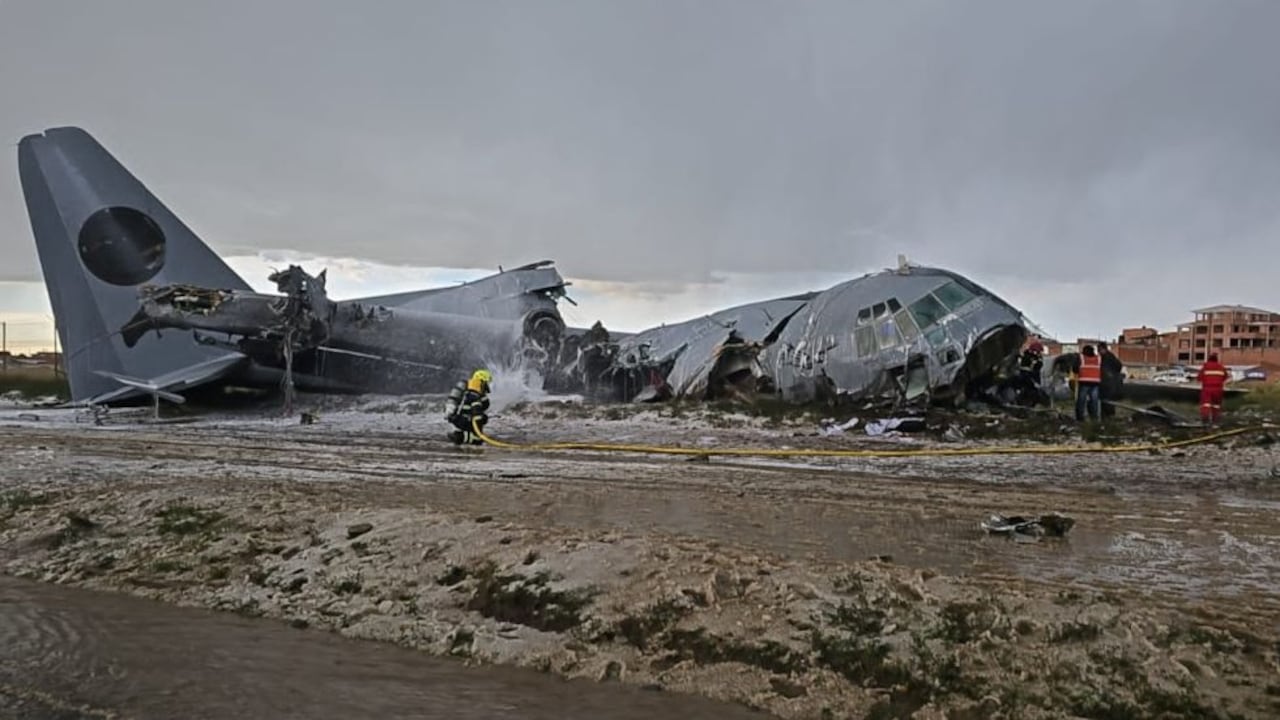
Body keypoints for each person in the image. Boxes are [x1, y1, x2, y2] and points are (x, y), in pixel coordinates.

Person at [445, 369, 493, 445]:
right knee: (478, 439)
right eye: (486, 382)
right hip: (464, 418)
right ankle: (460, 437)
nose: (487, 385)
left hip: (458, 417)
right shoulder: (474, 391)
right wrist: (480, 417)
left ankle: (461, 435)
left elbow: (485, 404)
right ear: (482, 380)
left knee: (478, 426)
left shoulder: (470, 388)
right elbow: (477, 406)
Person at [1197, 353, 1229, 426]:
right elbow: (1225, 377)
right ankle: (1216, 421)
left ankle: (1205, 420)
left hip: (1207, 389)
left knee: (1206, 404)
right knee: (1216, 405)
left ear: (1209, 359)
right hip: (1218, 389)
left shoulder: (1205, 367)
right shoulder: (1221, 367)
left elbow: (1199, 378)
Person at [1073, 345, 1102, 422]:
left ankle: (1080, 418)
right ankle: (1094, 417)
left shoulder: (1081, 357)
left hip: (1084, 382)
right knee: (1094, 401)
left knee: (1081, 401)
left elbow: (1075, 369)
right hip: (1095, 382)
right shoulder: (1098, 358)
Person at [1098, 342, 1124, 418]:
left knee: (1106, 400)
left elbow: (1118, 365)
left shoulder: (1107, 357)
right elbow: (1119, 365)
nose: (1098, 352)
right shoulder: (1110, 356)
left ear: (1103, 349)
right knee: (1108, 400)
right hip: (1109, 382)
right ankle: (1108, 416)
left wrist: (1110, 374)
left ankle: (1107, 416)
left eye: (1099, 350)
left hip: (1107, 383)